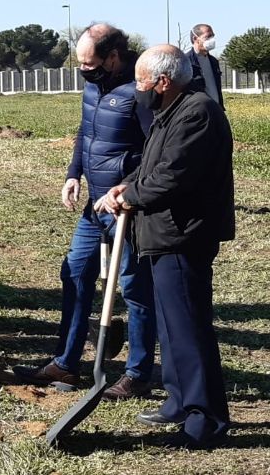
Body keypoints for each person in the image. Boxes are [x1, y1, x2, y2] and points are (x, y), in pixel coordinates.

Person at [96, 44, 234, 450]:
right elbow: (153, 164)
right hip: (160, 234)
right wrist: (128, 184)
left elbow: (173, 176)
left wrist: (129, 197)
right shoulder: (169, 113)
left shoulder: (198, 112)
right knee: (172, 328)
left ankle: (205, 417)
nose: (137, 88)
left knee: (189, 328)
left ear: (163, 80)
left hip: (183, 235)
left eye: (141, 80)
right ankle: (178, 400)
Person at [12, 24, 157, 399]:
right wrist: (73, 173)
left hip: (127, 210)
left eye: (90, 63)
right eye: (80, 63)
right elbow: (86, 133)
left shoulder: (139, 94)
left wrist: (125, 186)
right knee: (75, 273)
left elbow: (155, 153)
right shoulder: (93, 86)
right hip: (93, 210)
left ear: (112, 56)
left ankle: (137, 374)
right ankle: (66, 362)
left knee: (133, 287)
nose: (84, 70)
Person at [186, 23, 224, 109]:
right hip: (197, 111)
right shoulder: (186, 62)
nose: (212, 40)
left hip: (216, 109)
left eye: (213, 36)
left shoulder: (214, 61)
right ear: (195, 38)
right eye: (208, 37)